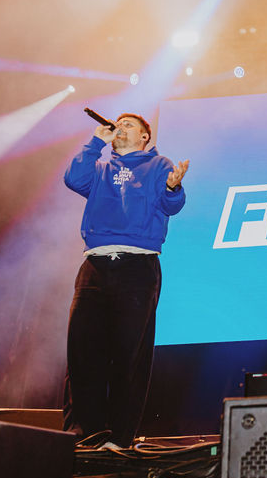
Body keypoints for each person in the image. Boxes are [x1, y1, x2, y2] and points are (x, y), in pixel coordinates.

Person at [62, 112, 189, 449]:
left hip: (137, 265)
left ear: (145, 136)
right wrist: (95, 143)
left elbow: (171, 205)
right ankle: (84, 434)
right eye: (117, 124)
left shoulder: (159, 164)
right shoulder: (100, 168)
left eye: (129, 125)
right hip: (95, 263)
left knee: (128, 353)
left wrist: (173, 187)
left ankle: (119, 438)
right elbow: (73, 179)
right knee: (82, 351)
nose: (120, 128)